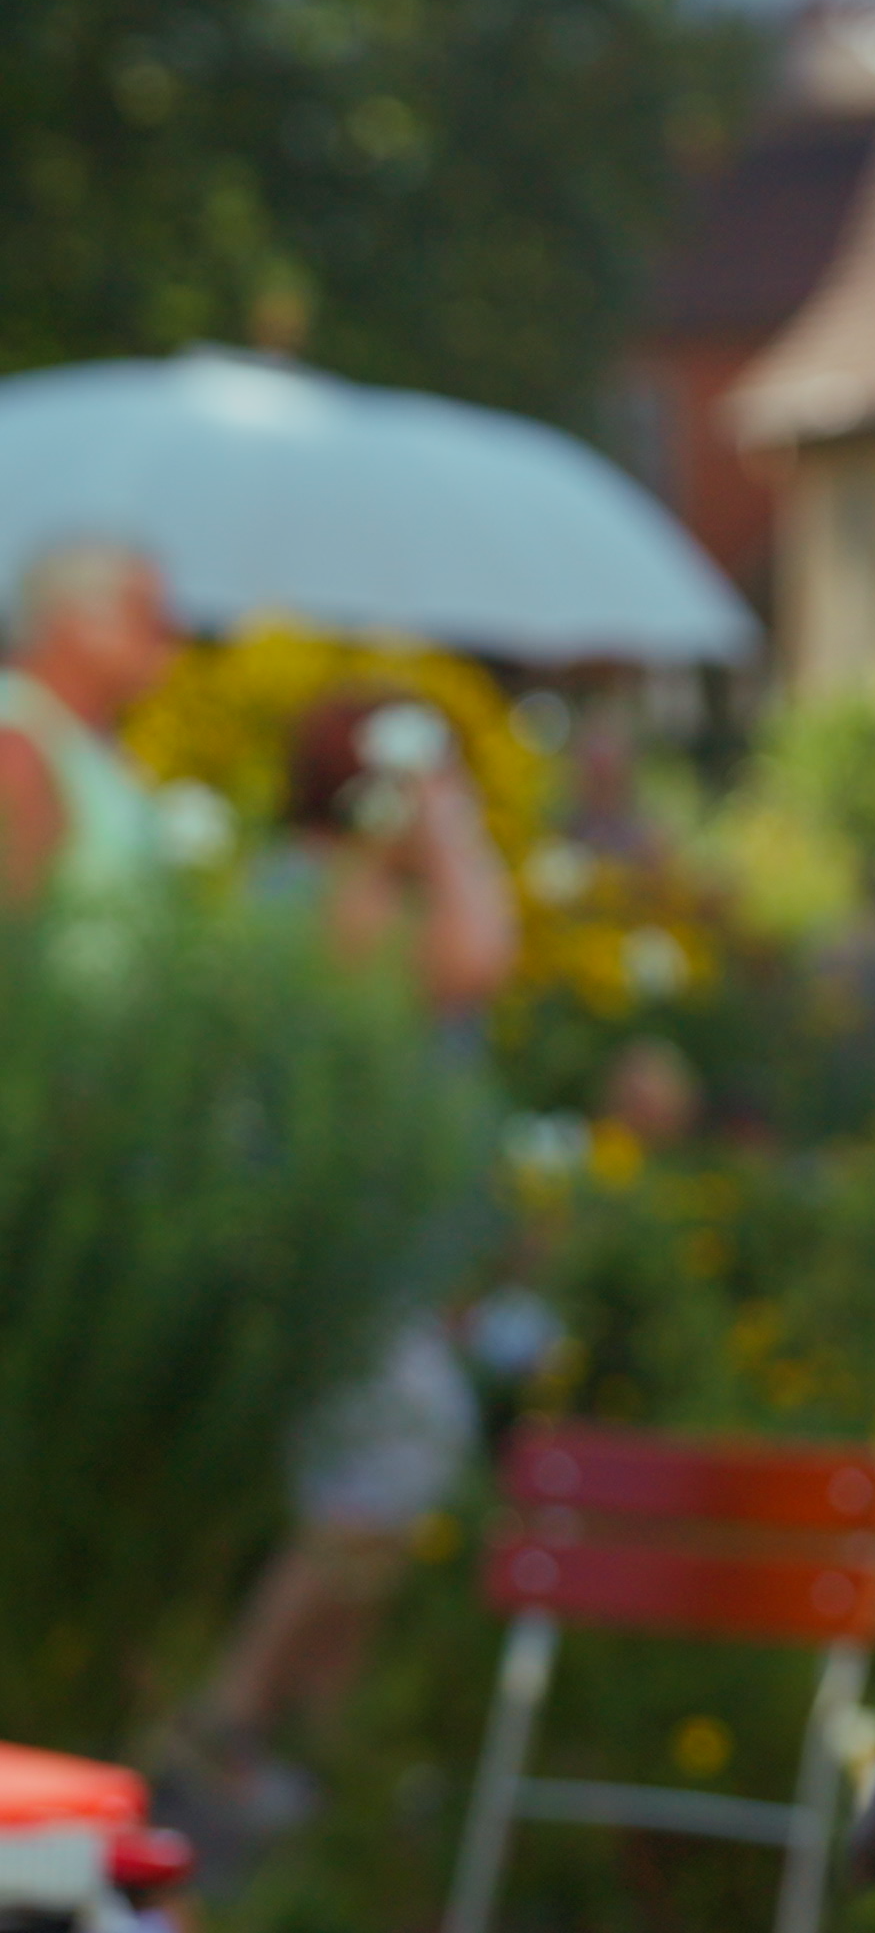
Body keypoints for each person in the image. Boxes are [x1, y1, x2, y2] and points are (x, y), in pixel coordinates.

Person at [178, 690, 520, 1842]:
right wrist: (445, 834)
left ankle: (314, 1771)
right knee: (394, 1462)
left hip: (386, 1267)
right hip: (327, 1263)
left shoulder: (359, 886)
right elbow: (473, 959)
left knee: (366, 1492)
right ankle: (227, 1714)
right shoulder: (310, 894)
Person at [0, 539, 175, 906]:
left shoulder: (70, 734)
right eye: (144, 614)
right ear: (71, 623)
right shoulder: (16, 741)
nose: (170, 633)